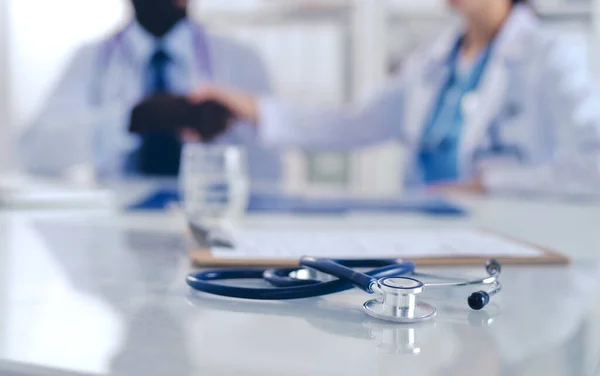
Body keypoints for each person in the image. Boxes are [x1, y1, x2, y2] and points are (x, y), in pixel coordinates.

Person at [192, 0, 600, 196]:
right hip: (433, 236)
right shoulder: (434, 59)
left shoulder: (551, 56)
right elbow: (354, 124)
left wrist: (489, 185)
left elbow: (592, 167)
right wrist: (252, 108)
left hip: (518, 248)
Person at [19, 0, 281, 181]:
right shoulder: (90, 60)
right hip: (119, 226)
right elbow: (35, 153)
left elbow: (270, 173)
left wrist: (223, 133)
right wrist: (131, 120)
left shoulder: (241, 59)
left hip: (213, 226)